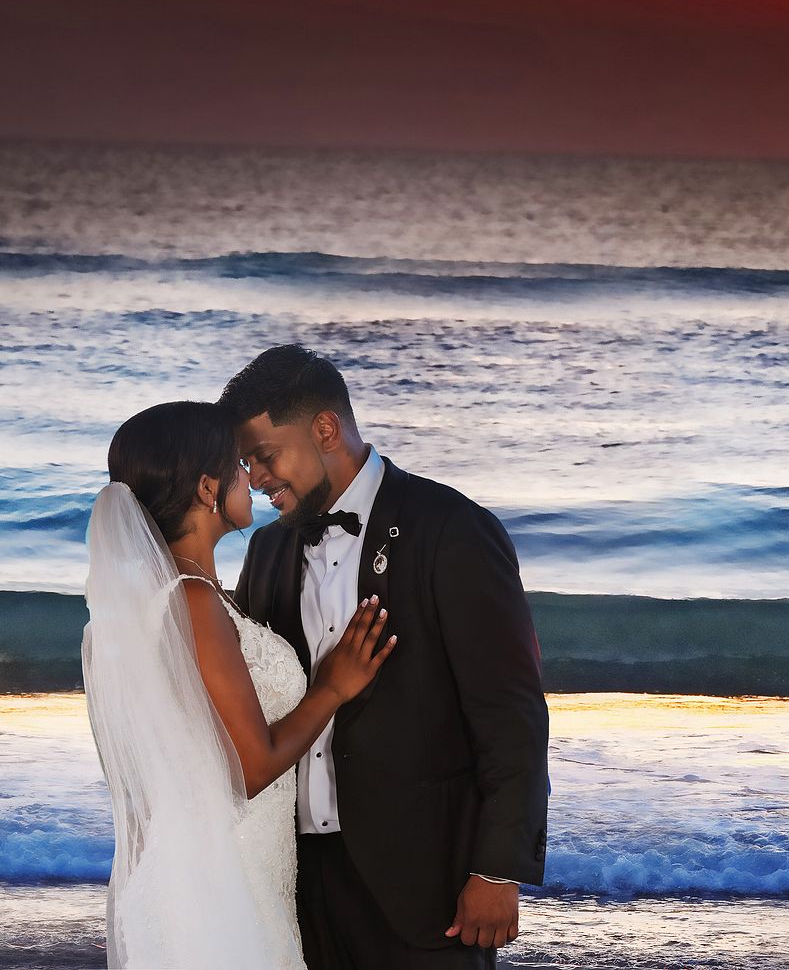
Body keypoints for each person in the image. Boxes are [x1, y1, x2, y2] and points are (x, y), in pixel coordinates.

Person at [220, 344, 549, 969]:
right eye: (246, 464)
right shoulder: (266, 551)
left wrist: (497, 870)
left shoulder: (452, 529)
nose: (256, 478)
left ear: (325, 429)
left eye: (264, 456)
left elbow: (511, 715)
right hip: (298, 884)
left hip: (425, 883)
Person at [84, 401, 395, 968]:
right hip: (227, 880)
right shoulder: (193, 601)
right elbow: (250, 768)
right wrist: (333, 686)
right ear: (208, 489)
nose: (252, 477)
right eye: (238, 465)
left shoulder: (178, 597)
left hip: (220, 867)